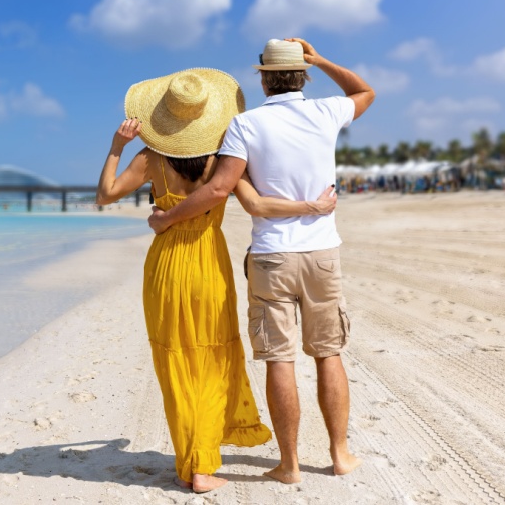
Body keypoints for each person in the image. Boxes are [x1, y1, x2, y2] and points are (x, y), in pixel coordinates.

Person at [96, 68, 338, 493]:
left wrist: (117, 146)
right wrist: (311, 207)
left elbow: (105, 194)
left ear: (163, 121)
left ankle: (196, 465)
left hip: (167, 267)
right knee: (211, 359)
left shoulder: (149, 159)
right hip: (209, 264)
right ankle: (203, 462)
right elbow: (258, 204)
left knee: (177, 362)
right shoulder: (221, 162)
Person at [148, 38, 376, 484]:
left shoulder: (246, 125)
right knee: (329, 354)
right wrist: (322, 59)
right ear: (303, 74)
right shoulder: (326, 112)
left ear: (263, 78)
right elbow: (364, 92)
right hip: (321, 251)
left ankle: (289, 465)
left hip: (273, 255)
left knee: (280, 360)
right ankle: (340, 454)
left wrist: (168, 218)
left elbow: (218, 190)